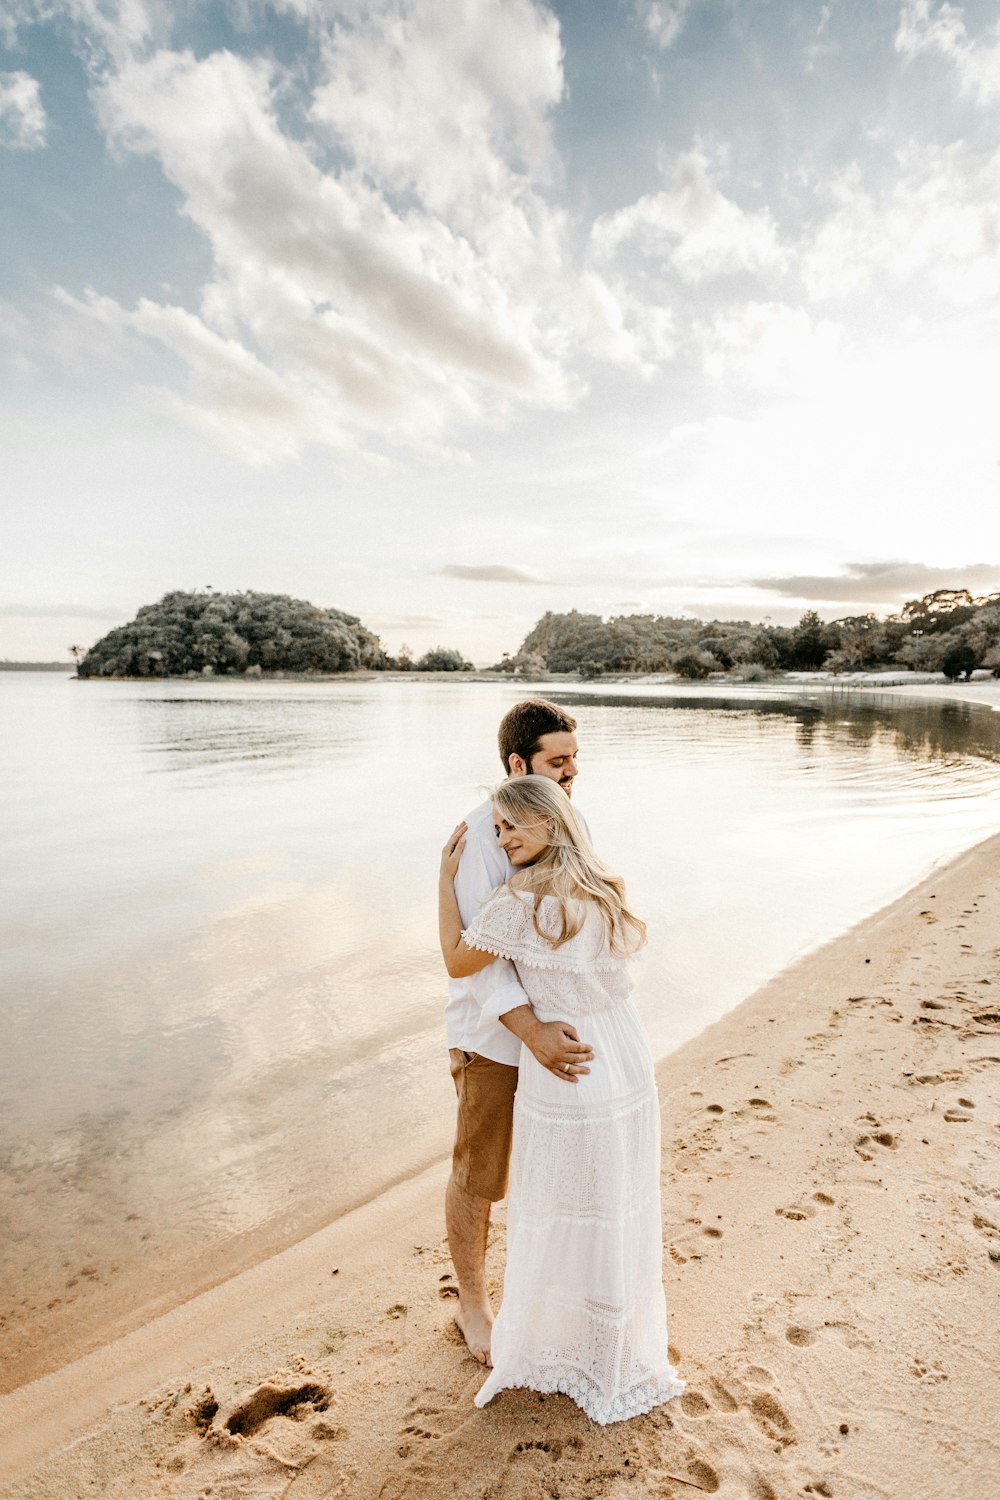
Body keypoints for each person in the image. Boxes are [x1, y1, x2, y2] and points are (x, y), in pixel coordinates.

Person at [439, 774, 684, 1424]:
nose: (503, 838)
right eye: (497, 830)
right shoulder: (600, 880)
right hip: (623, 1054)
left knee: (560, 1201)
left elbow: (457, 961)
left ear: (550, 824)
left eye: (514, 826)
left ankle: (558, 1341)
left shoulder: (519, 897)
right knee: (614, 1198)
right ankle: (611, 1336)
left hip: (568, 1064)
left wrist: (445, 885)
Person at [445, 699, 592, 1367]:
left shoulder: (564, 818)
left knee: (553, 1173)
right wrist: (530, 1030)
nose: (571, 773)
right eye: (557, 762)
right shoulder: (482, 838)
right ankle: (471, 1304)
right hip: (495, 1037)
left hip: (556, 1030)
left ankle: (544, 1294)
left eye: (572, 761)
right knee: (481, 1173)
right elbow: (477, 961)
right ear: (516, 763)